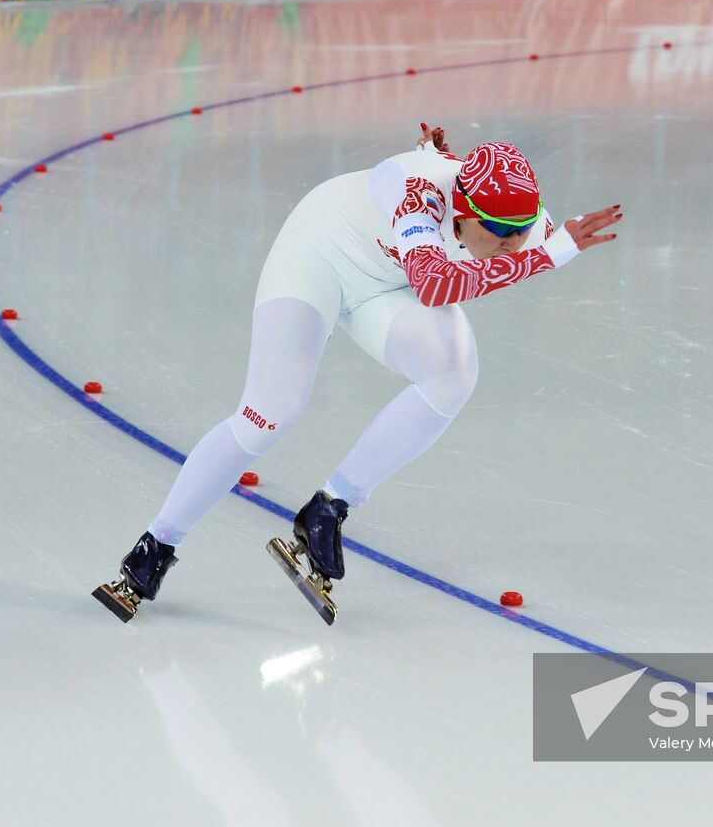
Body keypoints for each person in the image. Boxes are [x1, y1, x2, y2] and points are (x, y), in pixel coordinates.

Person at [94, 124, 623, 623]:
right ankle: (155, 547)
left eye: (523, 230)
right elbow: (438, 287)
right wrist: (549, 257)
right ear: (461, 212)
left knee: (454, 370)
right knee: (269, 415)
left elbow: (500, 254)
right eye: (500, 231)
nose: (514, 241)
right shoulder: (417, 192)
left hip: (386, 285)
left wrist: (544, 245)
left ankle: (328, 509)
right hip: (319, 256)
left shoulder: (528, 224)